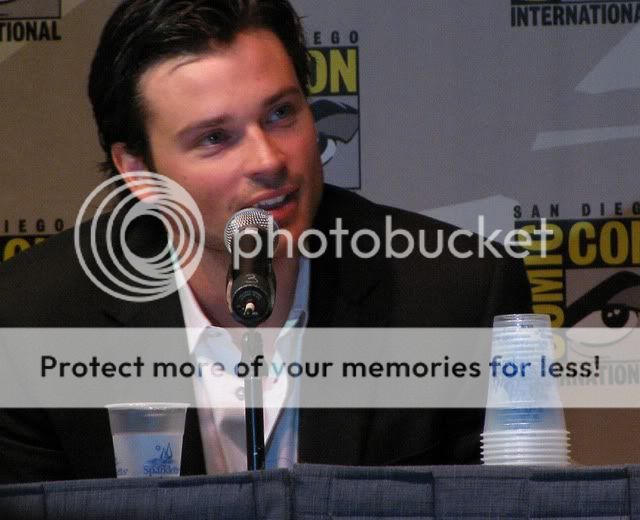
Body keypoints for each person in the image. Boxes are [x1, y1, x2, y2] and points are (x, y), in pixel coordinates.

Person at [0, 0, 532, 483]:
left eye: (281, 114)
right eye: (215, 138)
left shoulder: (454, 294)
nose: (269, 160)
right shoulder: (32, 321)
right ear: (139, 171)